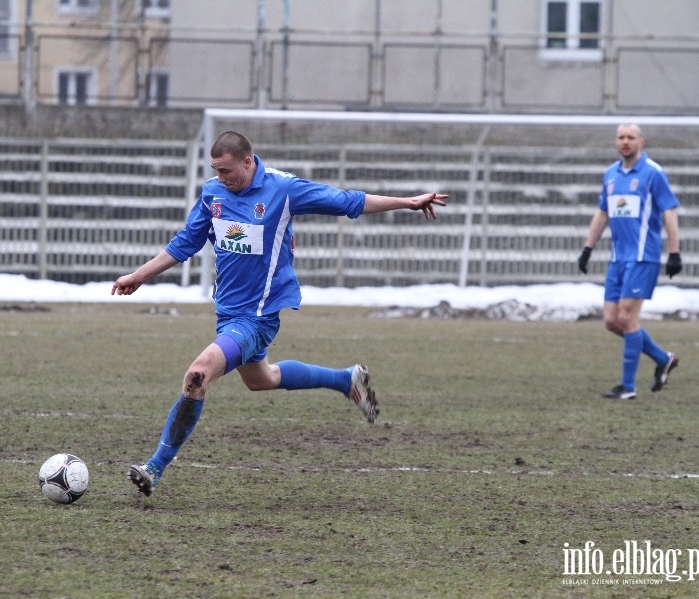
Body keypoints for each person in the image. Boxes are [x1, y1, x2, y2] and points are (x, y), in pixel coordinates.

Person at [112, 131, 448, 496]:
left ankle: (154, 468)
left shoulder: (283, 190)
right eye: (216, 171)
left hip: (258, 317)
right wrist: (139, 276)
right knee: (262, 379)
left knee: (197, 375)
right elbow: (185, 243)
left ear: (248, 161)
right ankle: (346, 380)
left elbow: (347, 201)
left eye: (227, 171)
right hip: (228, 313)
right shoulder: (213, 193)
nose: (222, 178)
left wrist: (407, 202)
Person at [577, 123, 681, 400]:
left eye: (631, 138)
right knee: (612, 321)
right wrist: (588, 248)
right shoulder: (611, 174)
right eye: (621, 137)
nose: (625, 142)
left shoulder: (653, 173)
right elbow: (602, 213)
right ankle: (662, 358)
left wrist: (674, 252)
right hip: (617, 258)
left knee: (627, 316)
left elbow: (669, 212)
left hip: (643, 257)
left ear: (641, 142)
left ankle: (627, 387)